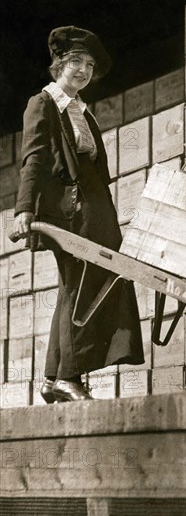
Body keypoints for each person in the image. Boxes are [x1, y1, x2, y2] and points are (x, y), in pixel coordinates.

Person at [13, 26, 144, 402]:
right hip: (73, 211)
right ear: (58, 66)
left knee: (82, 285)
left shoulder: (82, 111)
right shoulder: (43, 104)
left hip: (95, 206)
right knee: (82, 285)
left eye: (88, 64)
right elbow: (33, 158)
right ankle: (70, 376)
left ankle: (54, 377)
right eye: (75, 62)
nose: (83, 70)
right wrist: (23, 209)